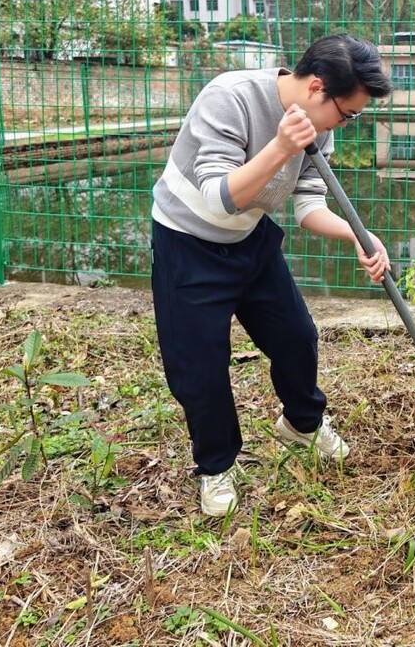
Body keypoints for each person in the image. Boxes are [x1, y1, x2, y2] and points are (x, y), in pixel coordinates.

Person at [151, 33, 393, 516]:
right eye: (347, 114)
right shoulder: (230, 97)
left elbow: (307, 206)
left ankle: (302, 426)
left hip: (250, 240)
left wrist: (359, 236)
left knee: (297, 337)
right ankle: (216, 466)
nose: (342, 127)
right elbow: (221, 194)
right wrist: (281, 146)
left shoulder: (316, 129)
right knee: (200, 366)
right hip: (188, 244)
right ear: (317, 87)